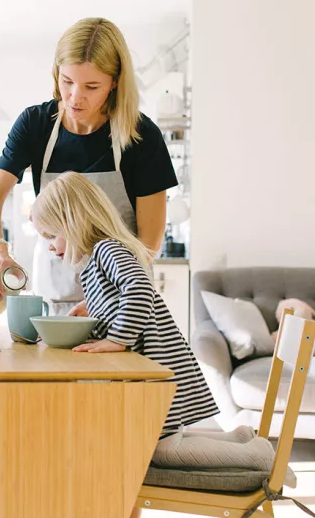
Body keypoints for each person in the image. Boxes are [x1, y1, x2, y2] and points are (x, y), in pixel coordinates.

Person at [32, 172, 291, 517]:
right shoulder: (96, 259)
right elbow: (120, 298)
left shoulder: (107, 249)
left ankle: (264, 459)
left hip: (156, 377)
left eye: (51, 234)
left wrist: (115, 339)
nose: (49, 245)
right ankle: (243, 439)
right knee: (164, 444)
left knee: (161, 451)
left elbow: (139, 291)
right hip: (152, 378)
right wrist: (92, 309)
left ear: (73, 221)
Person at [0, 17, 177, 315]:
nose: (74, 97)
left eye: (91, 86)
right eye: (67, 81)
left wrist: (104, 299)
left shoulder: (141, 136)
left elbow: (148, 243)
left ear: (114, 83)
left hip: (121, 303)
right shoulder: (36, 125)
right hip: (53, 301)